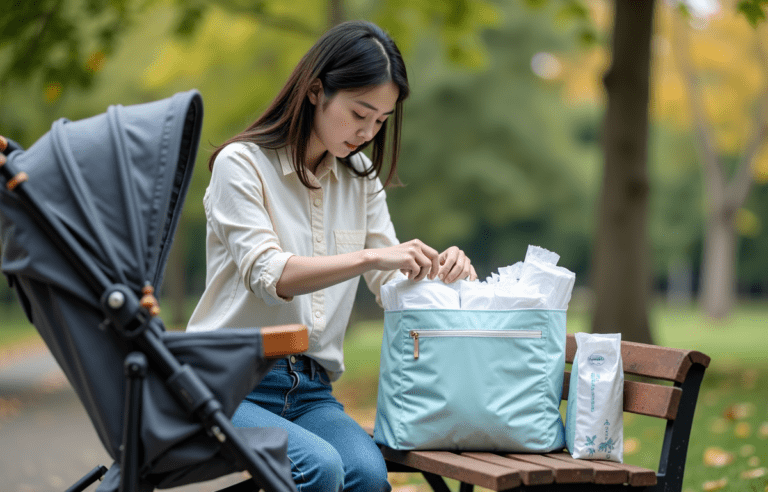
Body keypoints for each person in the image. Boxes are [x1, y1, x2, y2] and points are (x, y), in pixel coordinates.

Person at [187, 20, 477, 492]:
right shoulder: (240, 165)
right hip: (224, 385)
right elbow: (271, 275)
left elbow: (392, 285)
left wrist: (443, 273)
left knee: (367, 475)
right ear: (316, 90)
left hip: (309, 389)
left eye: (380, 120)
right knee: (319, 468)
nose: (367, 132)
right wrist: (369, 258)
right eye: (360, 113)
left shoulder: (359, 177)